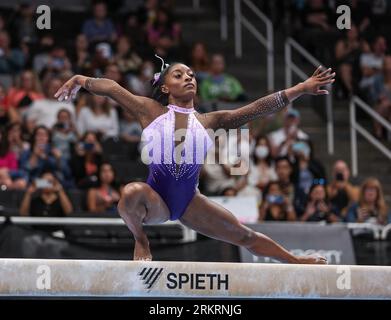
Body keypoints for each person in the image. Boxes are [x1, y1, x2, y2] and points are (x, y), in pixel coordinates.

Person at [55, 55, 335, 263]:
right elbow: (113, 88)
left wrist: (299, 88)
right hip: (156, 200)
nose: (188, 77)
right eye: (178, 75)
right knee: (131, 193)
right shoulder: (150, 111)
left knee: (246, 236)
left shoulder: (208, 121)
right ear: (164, 88)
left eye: (190, 74)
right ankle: (141, 240)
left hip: (190, 202)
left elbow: (256, 109)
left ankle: (296, 261)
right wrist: (81, 80)